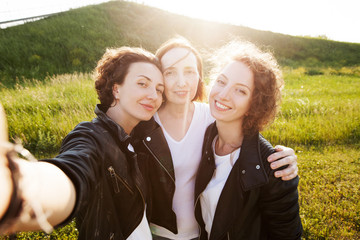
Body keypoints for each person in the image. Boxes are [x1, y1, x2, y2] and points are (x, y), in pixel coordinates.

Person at [0, 46, 165, 239]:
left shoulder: (141, 139)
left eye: (159, 89)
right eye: (143, 84)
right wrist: (16, 189)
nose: (154, 95)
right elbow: (72, 171)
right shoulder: (91, 136)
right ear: (116, 89)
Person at [143, 37, 300, 240]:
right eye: (221, 82)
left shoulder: (213, 117)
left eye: (189, 71)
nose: (223, 95)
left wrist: (285, 158)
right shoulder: (145, 124)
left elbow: (248, 139)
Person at [194, 40, 302, 239]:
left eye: (240, 90)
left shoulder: (274, 167)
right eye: (221, 81)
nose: (223, 94)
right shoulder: (203, 135)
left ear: (255, 103)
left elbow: (287, 235)